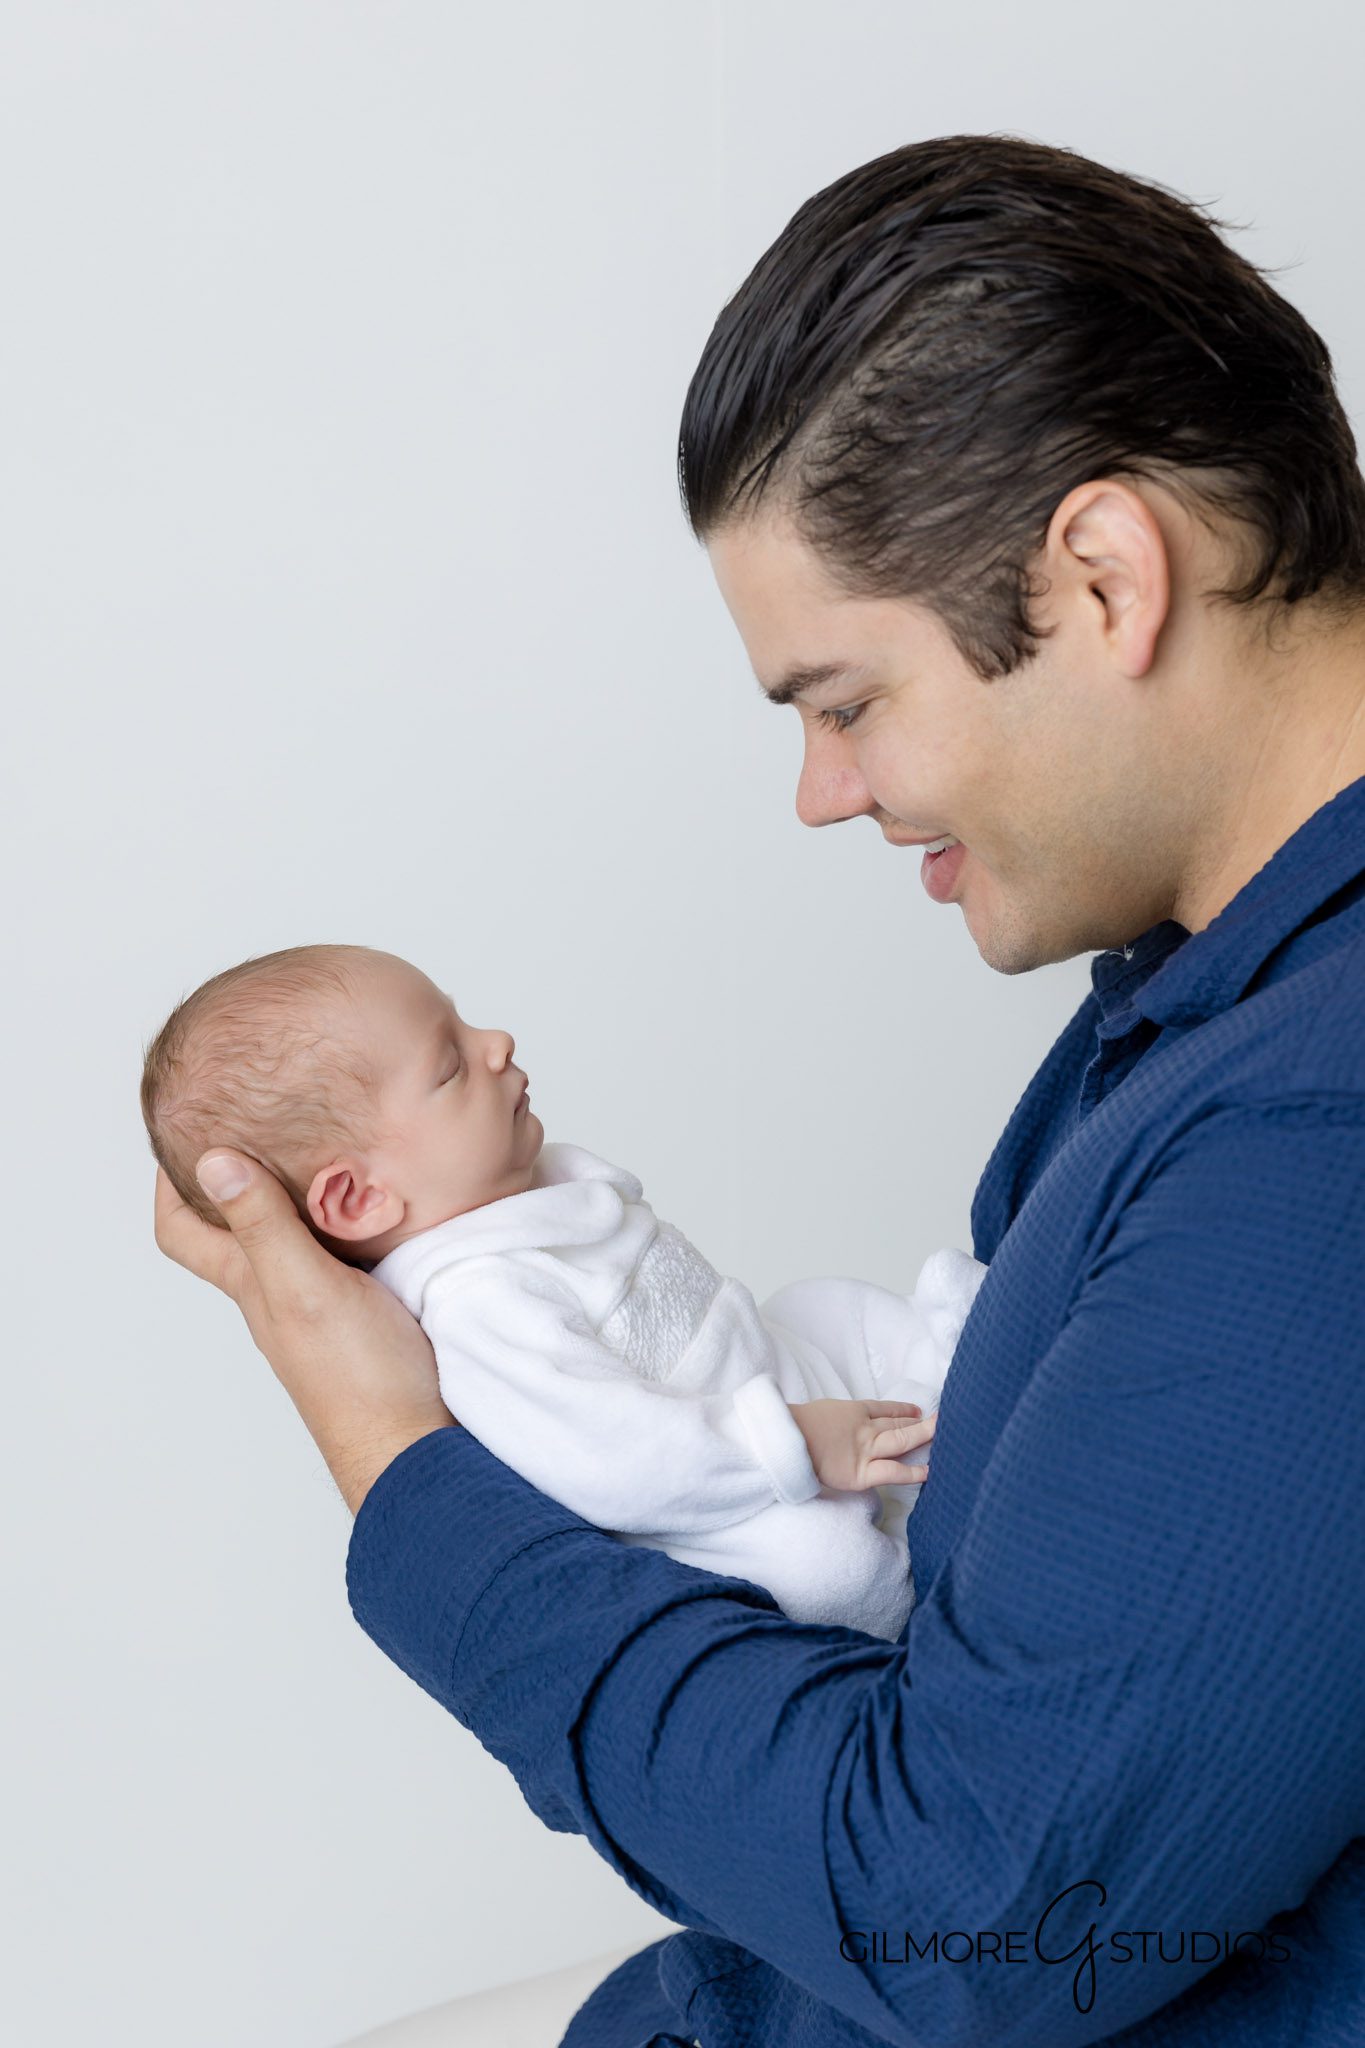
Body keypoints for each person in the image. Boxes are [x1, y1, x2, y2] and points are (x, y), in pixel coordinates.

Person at [155, 133, 1365, 2046]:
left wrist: (406, 1472)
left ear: (1104, 574)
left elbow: (984, 1923)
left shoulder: (1318, 1131)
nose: (823, 789)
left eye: (844, 699)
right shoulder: (1201, 1001)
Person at [141, 941, 983, 1642]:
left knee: (820, 1304)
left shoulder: (518, 1199)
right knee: (817, 1566)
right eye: (449, 1065)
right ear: (358, 1198)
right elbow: (618, 1460)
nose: (496, 1042)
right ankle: (897, 1587)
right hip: (722, 1494)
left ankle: (937, 1362)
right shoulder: (477, 1305)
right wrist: (785, 1441)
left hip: (767, 1370)